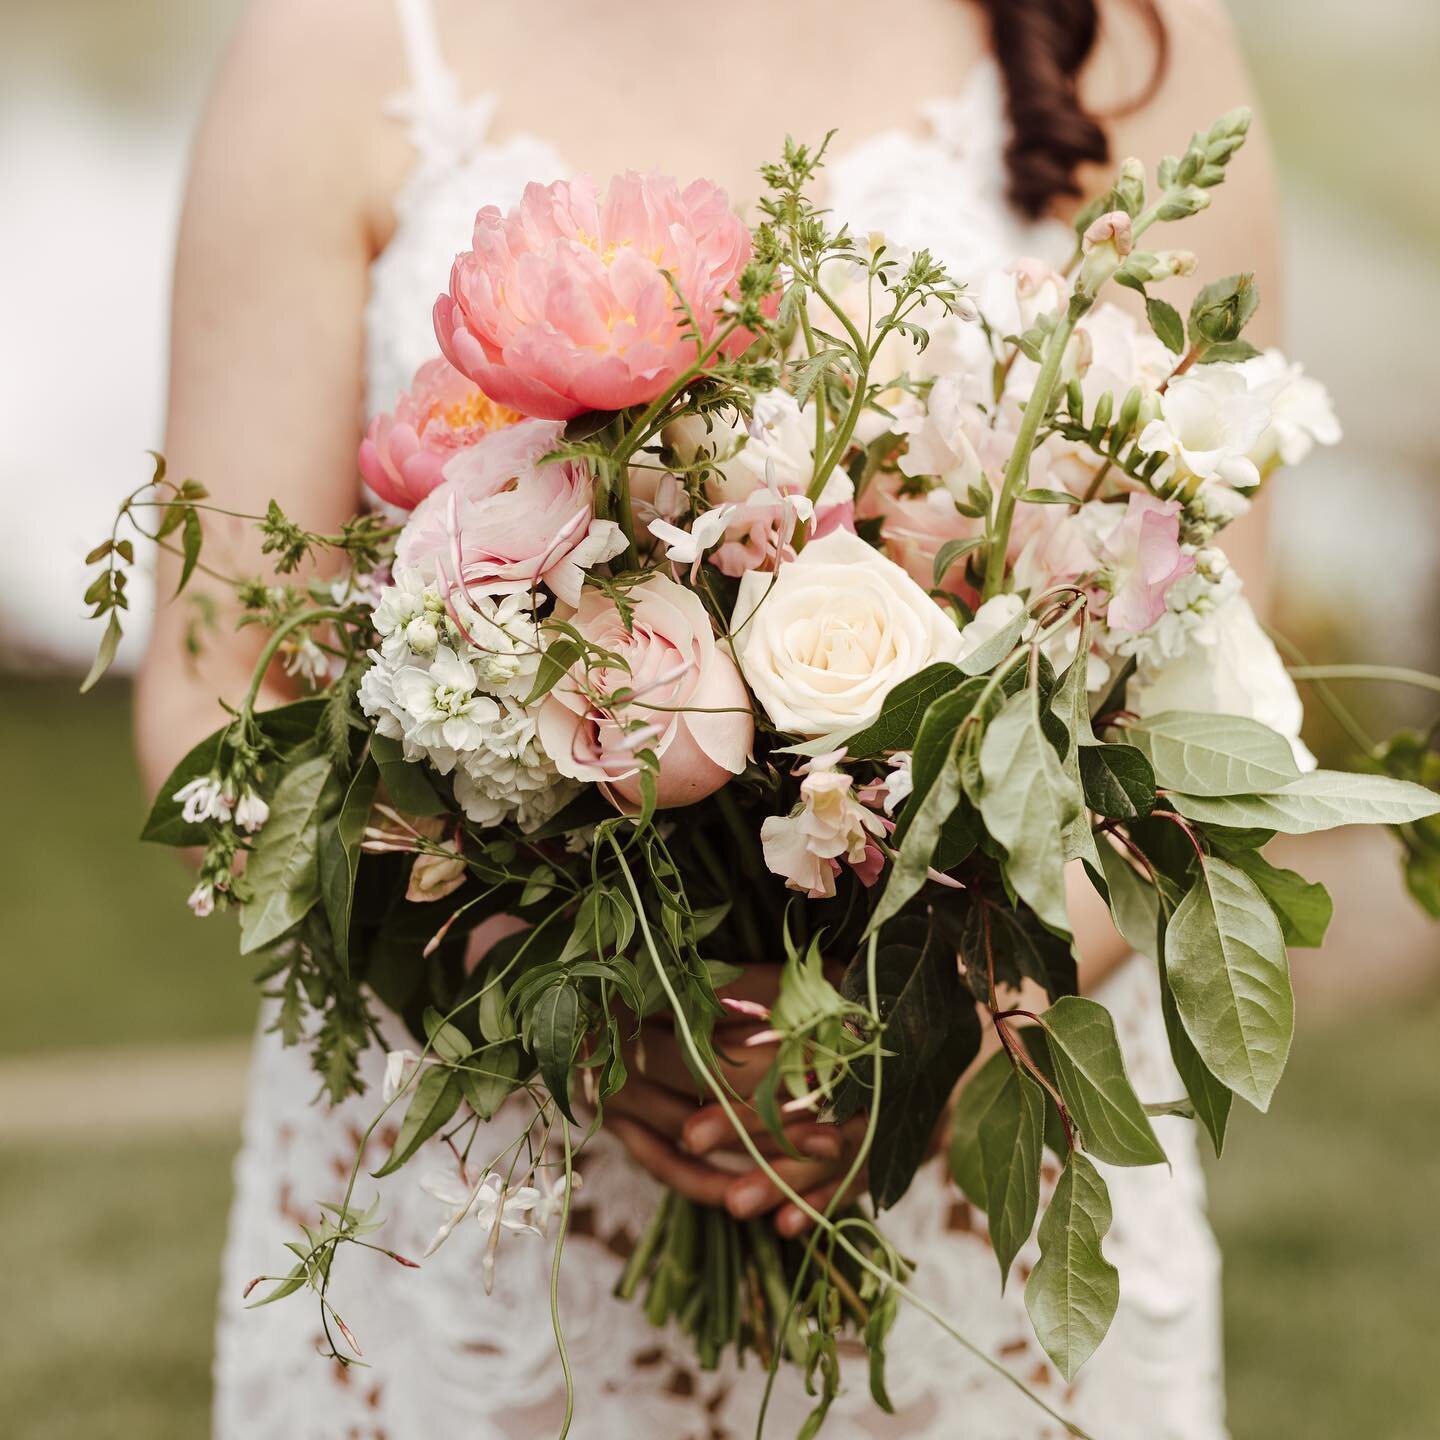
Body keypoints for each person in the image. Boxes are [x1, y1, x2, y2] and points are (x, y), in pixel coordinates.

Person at [138, 1, 1280, 1434]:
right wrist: (545, 998)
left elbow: (1207, 673)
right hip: (485, 1212)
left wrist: (935, 1030)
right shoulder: (338, 41)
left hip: (972, 1188)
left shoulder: (1130, 39)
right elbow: (214, 691)